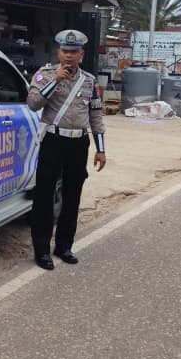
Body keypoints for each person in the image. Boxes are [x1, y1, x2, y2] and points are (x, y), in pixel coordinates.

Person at [27, 29, 107, 270]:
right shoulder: (44, 75)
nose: (69, 56)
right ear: (58, 52)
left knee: (72, 197)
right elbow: (33, 104)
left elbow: (96, 116)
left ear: (81, 54)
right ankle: (41, 250)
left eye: (74, 52)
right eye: (65, 51)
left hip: (78, 143)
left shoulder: (90, 81)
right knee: (44, 196)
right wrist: (57, 80)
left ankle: (64, 246)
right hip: (53, 140)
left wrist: (101, 149)